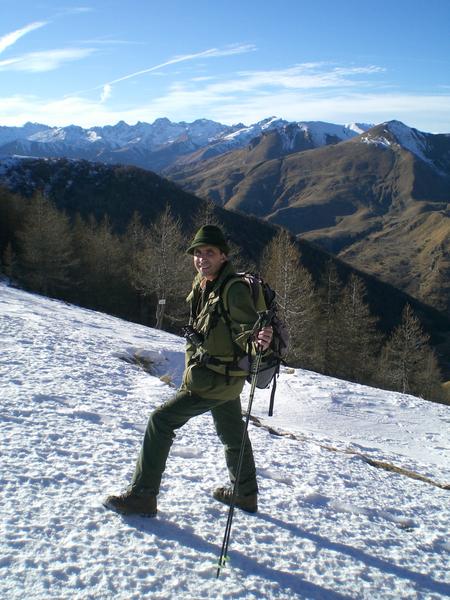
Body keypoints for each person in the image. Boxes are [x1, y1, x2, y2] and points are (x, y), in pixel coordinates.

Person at [104, 225, 273, 517]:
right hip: (221, 377)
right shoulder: (204, 283)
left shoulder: (233, 290)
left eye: (209, 252)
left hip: (214, 380)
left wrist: (259, 341)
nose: (202, 258)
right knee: (233, 433)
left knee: (160, 421)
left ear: (223, 255)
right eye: (197, 253)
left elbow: (247, 331)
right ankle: (245, 494)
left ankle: (143, 496)